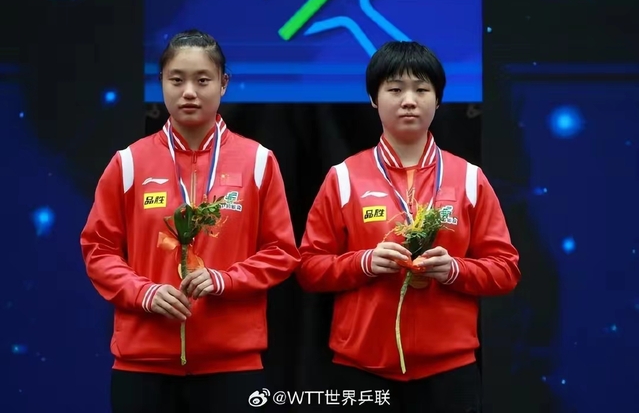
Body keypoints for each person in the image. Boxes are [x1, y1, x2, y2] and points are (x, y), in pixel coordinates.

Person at [80, 29, 300, 413]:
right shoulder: (129, 163)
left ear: (223, 83)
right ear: (160, 82)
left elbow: (281, 251)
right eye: (176, 80)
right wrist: (144, 292)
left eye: (202, 80)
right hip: (143, 364)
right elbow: (98, 250)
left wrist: (225, 280)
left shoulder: (258, 161)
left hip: (232, 365)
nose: (189, 93)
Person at [296, 41, 521, 412]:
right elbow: (307, 268)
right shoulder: (344, 177)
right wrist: (363, 263)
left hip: (449, 371)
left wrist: (454, 270)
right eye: (395, 89)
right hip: (362, 369)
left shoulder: (469, 178)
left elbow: (506, 270)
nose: (409, 101)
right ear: (373, 98)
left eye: (421, 89)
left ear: (438, 99)